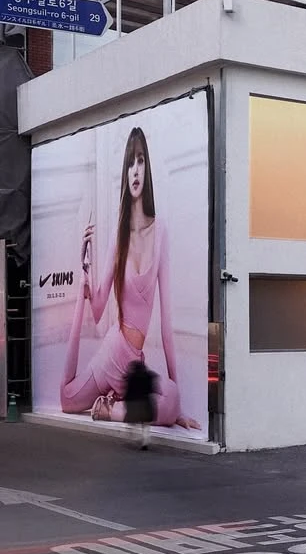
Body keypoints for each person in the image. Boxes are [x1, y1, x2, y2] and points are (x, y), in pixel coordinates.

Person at [59, 126, 200, 432]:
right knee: (67, 398)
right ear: (125, 173)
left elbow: (165, 326)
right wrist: (84, 276)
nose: (135, 170)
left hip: (134, 363)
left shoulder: (160, 231)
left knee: (172, 397)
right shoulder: (118, 235)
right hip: (113, 354)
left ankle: (113, 408)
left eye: (140, 160)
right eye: (130, 163)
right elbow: (98, 310)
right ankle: (114, 408)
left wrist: (176, 408)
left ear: (147, 168)